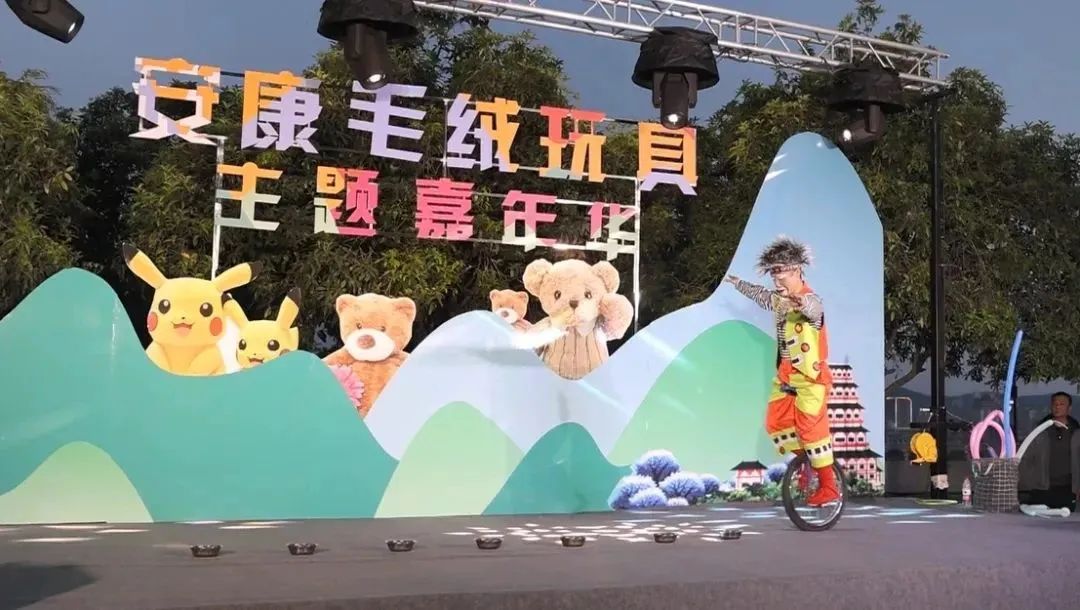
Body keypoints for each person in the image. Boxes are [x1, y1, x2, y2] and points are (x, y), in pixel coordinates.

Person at [725, 236, 838, 506]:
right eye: (773, 274)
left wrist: (801, 303)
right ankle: (807, 464)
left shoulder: (810, 298)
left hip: (810, 379)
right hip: (786, 376)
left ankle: (829, 487)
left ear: (797, 269)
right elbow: (761, 296)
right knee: (776, 423)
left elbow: (814, 310)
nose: (776, 279)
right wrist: (738, 284)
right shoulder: (779, 300)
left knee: (811, 430)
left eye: (781, 273)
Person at [1020, 392, 1079, 511]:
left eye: (1061, 404)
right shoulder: (1039, 432)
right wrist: (1026, 485)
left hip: (1069, 489)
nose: (1057, 407)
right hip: (1042, 489)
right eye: (1055, 404)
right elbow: (1026, 459)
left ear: (1069, 408)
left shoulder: (1076, 432)